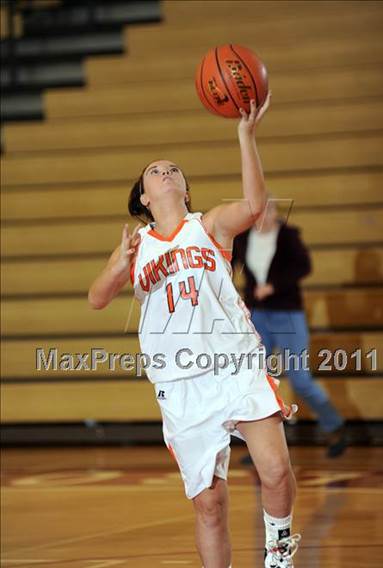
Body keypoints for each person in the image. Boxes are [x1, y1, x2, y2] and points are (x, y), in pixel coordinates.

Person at [88, 94, 301, 568]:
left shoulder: (208, 226)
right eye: (155, 171)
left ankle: (279, 558)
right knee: (209, 505)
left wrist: (245, 136)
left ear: (185, 189)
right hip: (180, 382)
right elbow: (97, 298)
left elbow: (253, 203)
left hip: (235, 364)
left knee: (276, 471)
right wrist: (117, 267)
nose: (165, 173)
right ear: (143, 196)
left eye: (173, 170)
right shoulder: (134, 245)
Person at [231, 200, 347, 458]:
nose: (265, 216)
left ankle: (335, 427)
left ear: (275, 212)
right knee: (254, 378)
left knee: (300, 379)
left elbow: (303, 267)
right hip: (257, 314)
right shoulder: (242, 238)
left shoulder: (288, 236)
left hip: (287, 314)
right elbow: (230, 266)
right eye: (260, 212)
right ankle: (259, 444)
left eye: (270, 210)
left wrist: (273, 286)